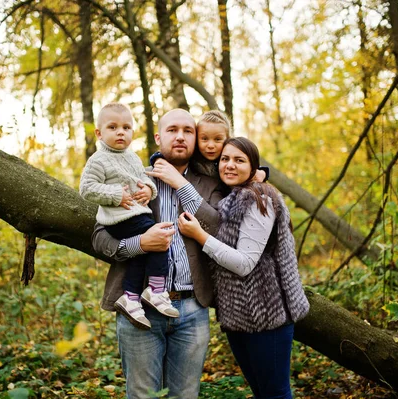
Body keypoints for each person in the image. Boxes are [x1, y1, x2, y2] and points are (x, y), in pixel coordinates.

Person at [92, 109, 224, 399]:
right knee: (142, 395)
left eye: (188, 131)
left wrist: (183, 186)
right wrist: (140, 243)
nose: (180, 136)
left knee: (186, 395)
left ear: (196, 138)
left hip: (192, 307)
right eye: (172, 130)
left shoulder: (210, 183)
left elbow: (216, 226)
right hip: (138, 305)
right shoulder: (131, 174)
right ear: (157, 136)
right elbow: (99, 238)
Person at [178, 137, 310, 399]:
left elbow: (244, 264)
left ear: (253, 167)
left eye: (239, 160)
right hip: (239, 317)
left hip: (268, 317)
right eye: (225, 159)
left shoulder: (259, 198)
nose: (229, 165)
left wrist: (199, 236)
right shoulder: (232, 198)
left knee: (275, 394)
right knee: (261, 392)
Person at [79, 103, 179, 330]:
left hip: (135, 214)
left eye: (126, 127)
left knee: (141, 254)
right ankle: (156, 290)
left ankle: (131, 298)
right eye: (112, 127)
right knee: (162, 238)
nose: (120, 132)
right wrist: (115, 194)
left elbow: (144, 181)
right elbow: (86, 188)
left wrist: (148, 190)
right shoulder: (98, 159)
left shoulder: (132, 157)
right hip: (119, 219)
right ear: (99, 133)